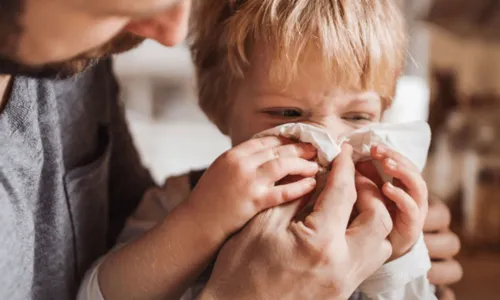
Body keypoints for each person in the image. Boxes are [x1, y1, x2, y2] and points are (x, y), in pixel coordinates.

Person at [0, 0, 461, 299]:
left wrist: (396, 258)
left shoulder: (372, 210)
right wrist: (200, 222)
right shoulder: (185, 200)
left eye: (358, 118)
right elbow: (95, 295)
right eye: (286, 115)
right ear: (220, 109)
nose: (328, 145)